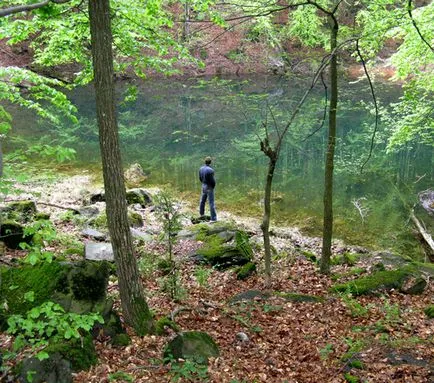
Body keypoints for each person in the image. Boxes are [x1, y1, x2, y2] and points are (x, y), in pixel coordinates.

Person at [199, 156, 217, 222]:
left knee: (202, 200)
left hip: (203, 185)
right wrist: (213, 187)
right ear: (210, 162)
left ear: (205, 161)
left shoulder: (201, 168)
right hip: (209, 186)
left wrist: (203, 183)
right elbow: (212, 181)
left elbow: (200, 178)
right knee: (211, 202)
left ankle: (201, 214)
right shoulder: (210, 170)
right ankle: (213, 219)